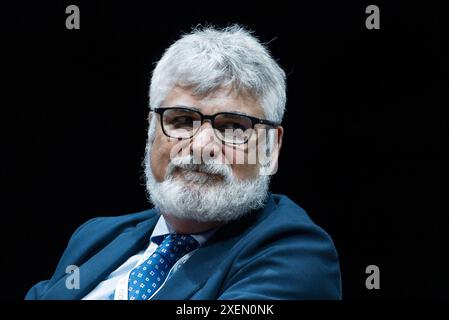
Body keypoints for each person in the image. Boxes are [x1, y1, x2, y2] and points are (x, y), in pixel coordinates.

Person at [26, 24, 341, 300]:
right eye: (182, 121)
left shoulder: (297, 255)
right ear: (151, 132)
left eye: (232, 127)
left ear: (271, 148)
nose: (202, 146)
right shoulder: (95, 237)